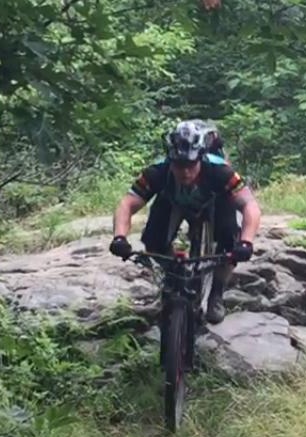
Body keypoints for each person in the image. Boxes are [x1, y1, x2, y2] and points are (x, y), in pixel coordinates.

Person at [109, 120, 261, 324]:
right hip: (172, 201)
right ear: (170, 160)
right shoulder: (157, 172)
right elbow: (127, 204)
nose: (185, 172)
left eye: (191, 165)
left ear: (200, 158)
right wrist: (119, 237)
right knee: (154, 240)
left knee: (229, 242)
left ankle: (217, 292)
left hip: (215, 201)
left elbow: (249, 205)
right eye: (179, 166)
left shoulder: (220, 172)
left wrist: (246, 242)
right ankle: (172, 279)